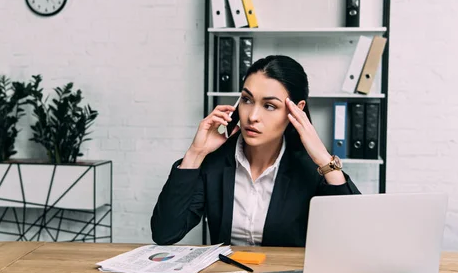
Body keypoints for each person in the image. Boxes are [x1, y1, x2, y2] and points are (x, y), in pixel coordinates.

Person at [151, 55, 360, 247]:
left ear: (296, 110)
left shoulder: (311, 169)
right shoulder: (215, 163)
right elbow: (165, 233)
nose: (252, 116)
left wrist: (324, 159)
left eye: (269, 106)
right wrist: (196, 153)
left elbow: (353, 238)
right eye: (247, 100)